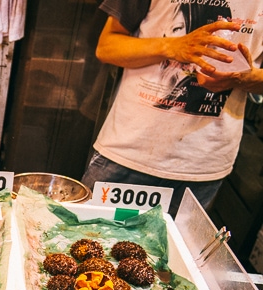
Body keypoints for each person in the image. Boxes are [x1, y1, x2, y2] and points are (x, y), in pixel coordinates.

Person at [81, 0, 263, 215]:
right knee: (94, 236)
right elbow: (107, 46)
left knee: (169, 247)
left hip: (204, 165)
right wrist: (173, 46)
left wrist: (242, 79)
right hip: (128, 151)